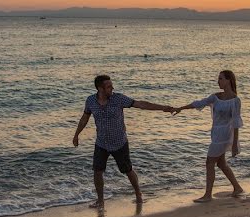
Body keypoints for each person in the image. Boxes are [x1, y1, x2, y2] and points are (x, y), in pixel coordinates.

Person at [73, 74, 174, 208]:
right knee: (97, 172)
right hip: (101, 143)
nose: (112, 88)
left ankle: (138, 194)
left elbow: (140, 104)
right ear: (100, 88)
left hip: (120, 143)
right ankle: (100, 201)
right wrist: (76, 135)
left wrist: (162, 107)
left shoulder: (118, 99)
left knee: (127, 170)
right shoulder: (90, 101)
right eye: (109, 86)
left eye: (111, 85)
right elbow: (84, 118)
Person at [172, 70, 244, 203]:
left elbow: (236, 122)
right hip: (216, 133)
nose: (218, 81)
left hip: (225, 135)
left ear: (229, 80)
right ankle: (237, 188)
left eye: (221, 79)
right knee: (221, 163)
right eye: (218, 79)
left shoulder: (235, 100)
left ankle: (207, 195)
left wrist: (234, 143)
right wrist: (180, 108)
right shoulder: (215, 97)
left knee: (209, 162)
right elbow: (199, 103)